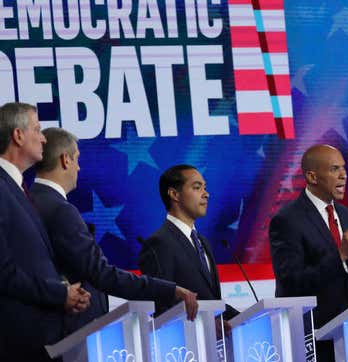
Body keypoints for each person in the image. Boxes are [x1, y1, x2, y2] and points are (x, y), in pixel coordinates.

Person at [29, 127, 199, 336]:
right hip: (70, 334)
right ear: (65, 160)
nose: (79, 168)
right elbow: (101, 274)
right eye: (77, 159)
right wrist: (170, 290)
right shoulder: (60, 210)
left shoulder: (29, 201)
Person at [0, 102, 90, 361]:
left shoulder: (17, 189)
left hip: (41, 339)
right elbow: (4, 272)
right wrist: (60, 293)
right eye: (37, 129)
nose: (43, 138)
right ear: (18, 135)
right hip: (18, 344)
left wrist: (63, 290)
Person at [269, 144, 348, 361]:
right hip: (312, 336)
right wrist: (339, 255)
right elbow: (292, 281)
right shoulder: (287, 220)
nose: (343, 175)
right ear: (312, 176)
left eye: (344, 168)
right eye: (334, 169)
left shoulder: (344, 213)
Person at [139, 164, 238, 321]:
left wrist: (247, 317)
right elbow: (162, 308)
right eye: (197, 187)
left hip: (214, 341)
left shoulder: (203, 241)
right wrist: (205, 323)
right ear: (174, 194)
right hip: (186, 342)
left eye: (205, 187)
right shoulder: (159, 243)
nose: (206, 194)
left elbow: (212, 302)